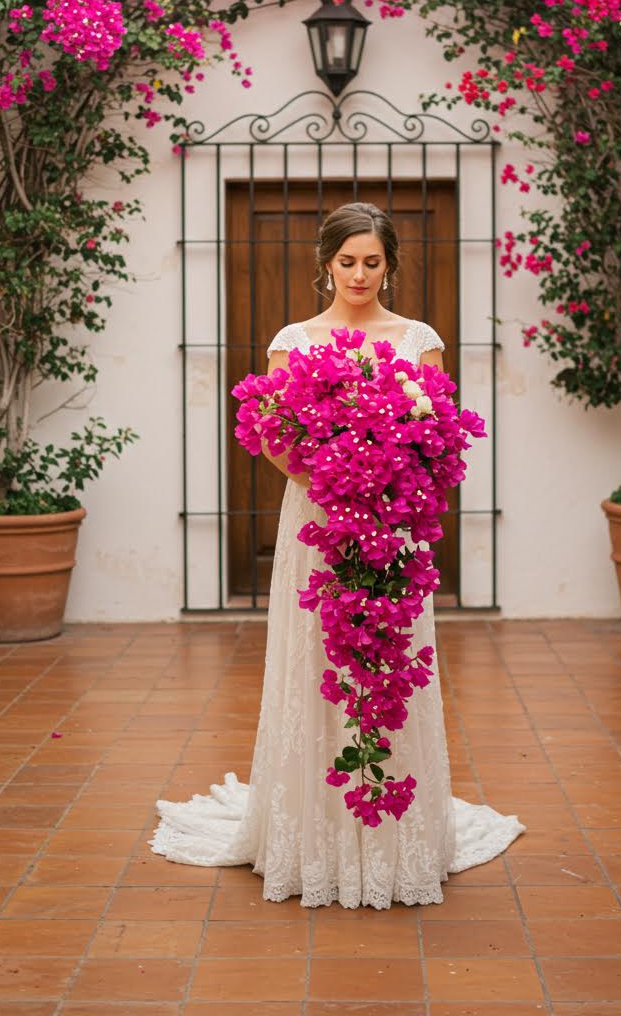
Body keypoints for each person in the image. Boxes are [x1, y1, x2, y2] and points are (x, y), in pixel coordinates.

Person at [151, 201, 524, 908]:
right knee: (316, 663)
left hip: (393, 524)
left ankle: (394, 833)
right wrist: (338, 485)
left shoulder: (418, 339)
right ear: (326, 263)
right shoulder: (295, 339)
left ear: (390, 264)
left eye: (372, 261)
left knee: (391, 665)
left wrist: (386, 485)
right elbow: (274, 440)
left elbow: (439, 440)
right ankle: (313, 834)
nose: (359, 274)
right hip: (320, 522)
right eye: (347, 261)